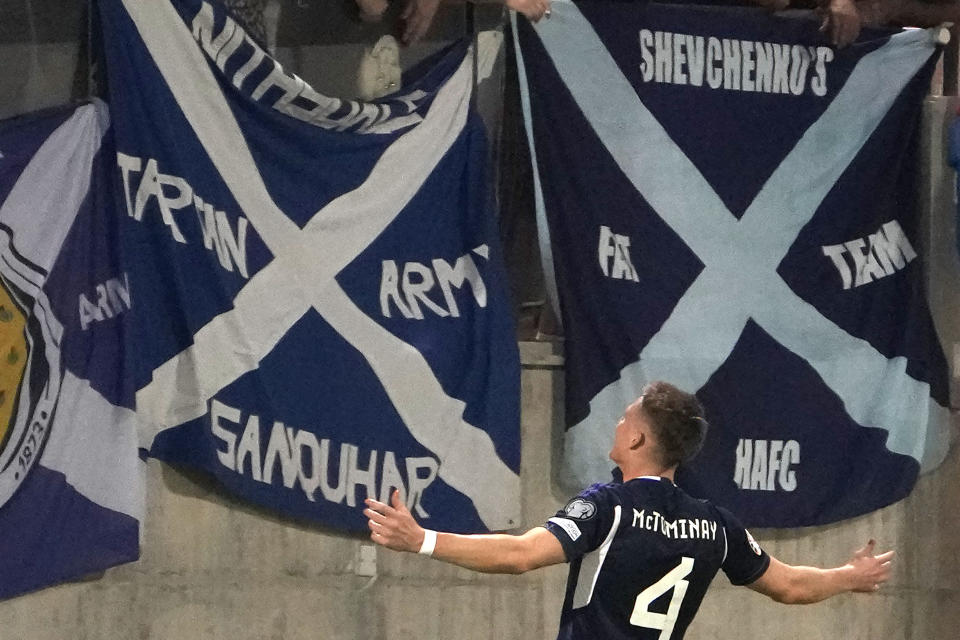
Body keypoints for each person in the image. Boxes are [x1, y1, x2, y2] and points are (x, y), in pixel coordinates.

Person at [364, 381, 894, 640]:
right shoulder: (715, 525)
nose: (616, 426)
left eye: (623, 419)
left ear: (638, 437)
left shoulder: (606, 506)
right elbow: (791, 586)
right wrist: (850, 576)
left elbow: (522, 554)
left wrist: (423, 540)